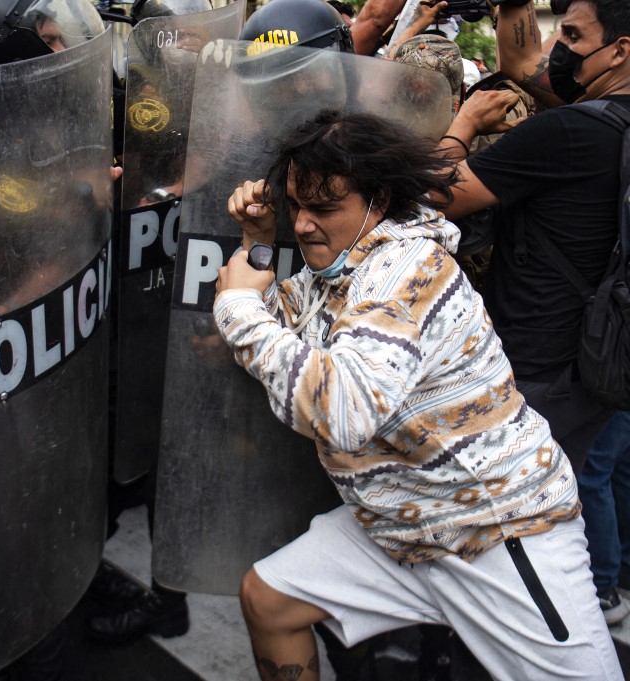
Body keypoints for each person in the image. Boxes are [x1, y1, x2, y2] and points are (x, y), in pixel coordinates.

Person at [219, 109, 620, 681]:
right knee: (269, 600)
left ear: (378, 202)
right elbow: (278, 322)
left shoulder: (405, 269)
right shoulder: (339, 265)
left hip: (497, 534)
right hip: (401, 524)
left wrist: (236, 307)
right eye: (295, 206)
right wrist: (258, 245)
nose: (303, 225)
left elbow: (341, 407)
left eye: (324, 208)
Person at [438, 0, 629, 475]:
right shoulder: (610, 122)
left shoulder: (568, 129)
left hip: (534, 363)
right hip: (599, 354)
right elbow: (525, 67)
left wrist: (465, 124)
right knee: (578, 487)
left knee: (512, 504)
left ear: (619, 50)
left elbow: (439, 195)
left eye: (571, 36)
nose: (557, 48)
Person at [579, 412, 630, 625]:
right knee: (622, 467)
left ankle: (602, 588)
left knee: (591, 471)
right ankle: (623, 569)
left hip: (607, 393)